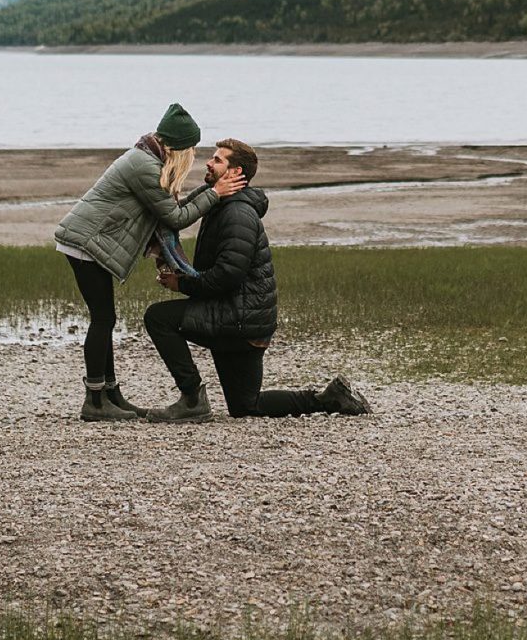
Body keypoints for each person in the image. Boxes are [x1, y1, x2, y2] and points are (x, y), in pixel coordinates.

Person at [142, 138, 371, 423]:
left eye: (217, 160)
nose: (208, 163)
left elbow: (228, 275)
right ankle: (328, 398)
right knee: (245, 406)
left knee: (158, 318)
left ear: (236, 172)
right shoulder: (221, 203)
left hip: (239, 321)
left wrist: (182, 284)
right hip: (245, 319)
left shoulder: (237, 214)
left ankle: (191, 400)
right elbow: (177, 214)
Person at [54, 103, 246, 422]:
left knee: (106, 318)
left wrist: (211, 191)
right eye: (192, 148)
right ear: (180, 145)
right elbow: (174, 216)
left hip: (90, 240)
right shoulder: (144, 166)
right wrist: (215, 194)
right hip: (84, 242)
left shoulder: (148, 158)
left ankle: (111, 396)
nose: (194, 156)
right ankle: (95, 402)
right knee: (103, 319)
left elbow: (171, 209)